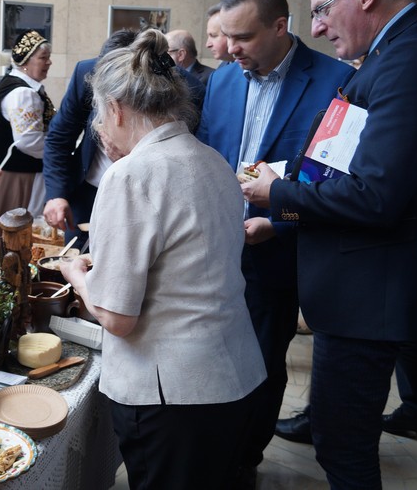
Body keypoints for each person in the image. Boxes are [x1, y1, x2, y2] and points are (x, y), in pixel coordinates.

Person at [241, 0, 417, 488]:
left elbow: (376, 197)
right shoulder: (390, 53)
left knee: (344, 448)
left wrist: (279, 194)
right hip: (352, 296)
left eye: (323, 10)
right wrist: (284, 209)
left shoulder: (411, 57)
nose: (319, 29)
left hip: (366, 299)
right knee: (336, 440)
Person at [59, 29, 266, 490]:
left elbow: (116, 316)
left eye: (98, 113)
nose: (98, 127)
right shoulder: (212, 159)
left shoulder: (130, 174)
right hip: (234, 375)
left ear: (115, 108)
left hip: (173, 394)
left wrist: (76, 276)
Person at [196, 0, 354, 488]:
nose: (230, 49)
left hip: (276, 255)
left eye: (242, 37)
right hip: (213, 251)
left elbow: (336, 179)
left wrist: (278, 223)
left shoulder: (335, 81)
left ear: (280, 26)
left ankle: (245, 460)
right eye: (226, 37)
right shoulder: (223, 80)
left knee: (262, 364)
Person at [42, 28, 206, 247]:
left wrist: (132, 157)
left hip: (148, 202)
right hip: (87, 195)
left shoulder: (187, 87)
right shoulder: (86, 71)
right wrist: (56, 195)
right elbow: (59, 137)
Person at [0, 30, 54, 238]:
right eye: (43, 58)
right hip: (16, 176)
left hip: (13, 172)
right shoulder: (23, 94)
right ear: (26, 62)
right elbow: (29, 141)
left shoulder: (15, 84)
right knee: (12, 236)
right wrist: (58, 153)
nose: (49, 63)